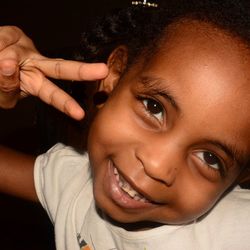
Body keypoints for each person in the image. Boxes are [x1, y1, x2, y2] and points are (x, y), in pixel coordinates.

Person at [0, 1, 250, 249]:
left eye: (209, 157)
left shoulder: (233, 228)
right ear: (114, 75)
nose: (157, 165)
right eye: (154, 108)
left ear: (240, 176)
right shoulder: (72, 182)